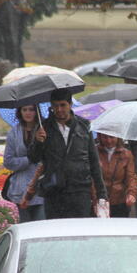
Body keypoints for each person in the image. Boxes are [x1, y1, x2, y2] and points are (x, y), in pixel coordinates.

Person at [29, 90, 107, 218]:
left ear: (70, 104)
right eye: (55, 106)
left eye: (62, 105)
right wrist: (38, 142)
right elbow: (33, 158)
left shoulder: (83, 125)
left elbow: (93, 160)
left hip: (80, 191)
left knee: (79, 232)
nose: (59, 109)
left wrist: (101, 193)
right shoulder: (44, 127)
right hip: (54, 192)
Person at [3, 105, 45, 221]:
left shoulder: (44, 130)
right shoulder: (14, 133)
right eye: (24, 110)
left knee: (41, 228)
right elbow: (8, 162)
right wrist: (28, 160)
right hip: (20, 190)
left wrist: (41, 143)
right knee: (24, 229)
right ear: (19, 112)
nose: (28, 113)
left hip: (41, 190)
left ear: (36, 112)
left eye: (31, 110)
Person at [96, 133, 137, 217]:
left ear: (118, 137)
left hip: (119, 201)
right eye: (105, 137)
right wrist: (94, 198)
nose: (108, 141)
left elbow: (130, 177)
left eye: (112, 137)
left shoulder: (127, 154)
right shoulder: (94, 152)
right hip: (99, 201)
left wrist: (131, 194)